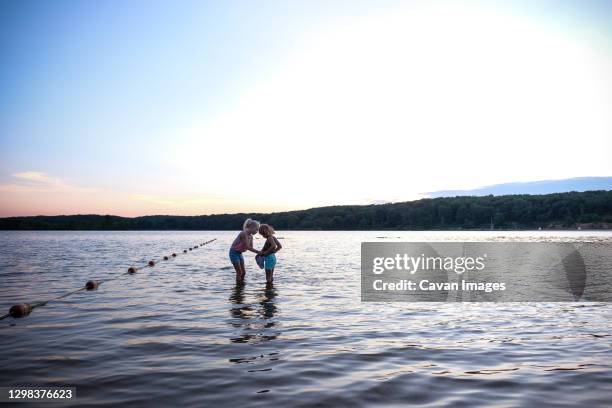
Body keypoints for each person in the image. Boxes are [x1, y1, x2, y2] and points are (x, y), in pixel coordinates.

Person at [229, 218, 261, 283]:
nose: (257, 232)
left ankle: (241, 285)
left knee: (243, 272)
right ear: (251, 227)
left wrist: (260, 252)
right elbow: (247, 247)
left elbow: (251, 247)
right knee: (239, 272)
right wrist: (259, 252)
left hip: (239, 253)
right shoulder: (243, 233)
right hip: (233, 253)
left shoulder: (251, 236)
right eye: (256, 229)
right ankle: (238, 288)